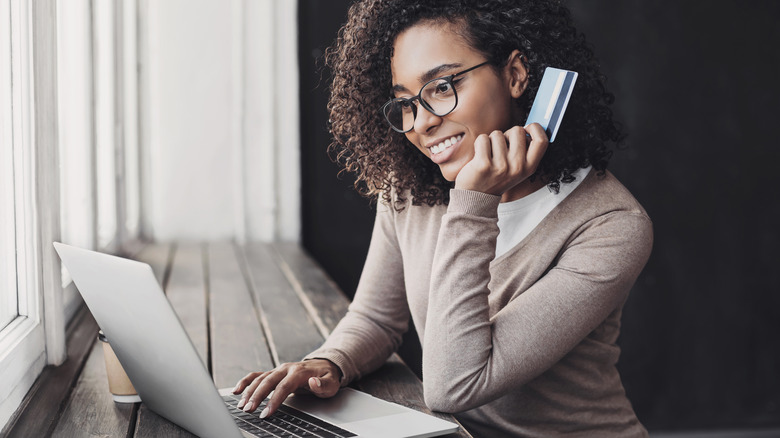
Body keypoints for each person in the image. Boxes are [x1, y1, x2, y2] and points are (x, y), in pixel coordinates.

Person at [233, 0, 653, 436]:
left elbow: (454, 384)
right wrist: (327, 362)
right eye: (406, 103)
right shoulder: (411, 191)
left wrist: (473, 200)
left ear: (514, 74)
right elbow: (376, 318)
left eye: (443, 86)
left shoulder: (611, 225)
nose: (422, 123)